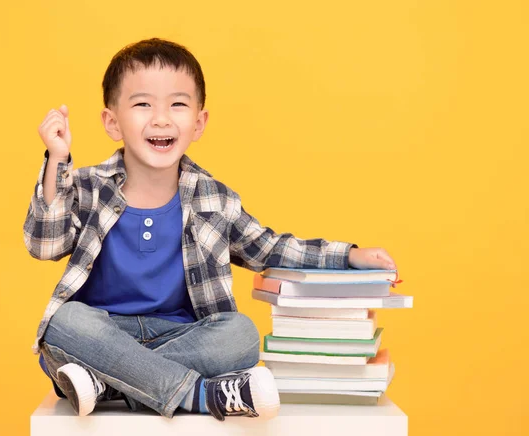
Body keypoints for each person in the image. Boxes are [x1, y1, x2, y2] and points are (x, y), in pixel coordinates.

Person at [23, 37, 398, 421]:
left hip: (181, 337)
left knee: (240, 334)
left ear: (199, 123)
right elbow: (44, 244)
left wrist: (347, 255)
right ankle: (200, 394)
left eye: (178, 104)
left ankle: (109, 383)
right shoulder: (87, 186)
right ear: (112, 122)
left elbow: (270, 248)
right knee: (64, 322)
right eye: (142, 104)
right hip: (101, 335)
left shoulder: (214, 200)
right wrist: (58, 160)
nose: (161, 118)